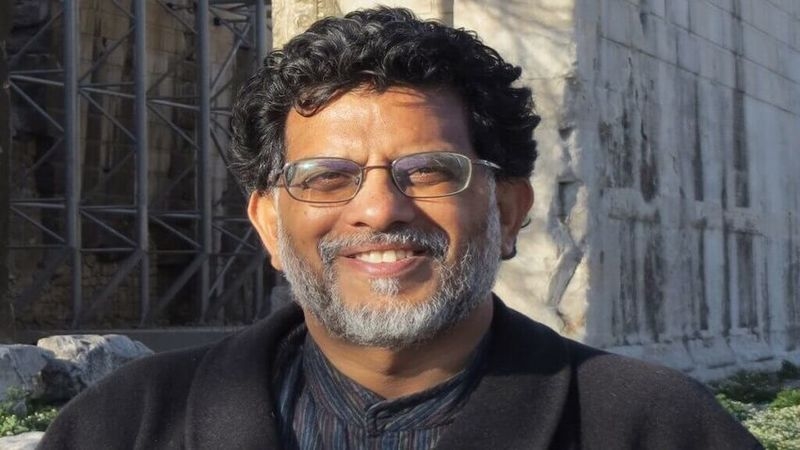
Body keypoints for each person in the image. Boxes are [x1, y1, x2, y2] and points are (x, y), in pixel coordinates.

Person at [40, 7, 761, 449]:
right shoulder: (126, 424)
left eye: (430, 171)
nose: (381, 210)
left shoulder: (655, 428)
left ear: (509, 210)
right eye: (327, 177)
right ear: (268, 224)